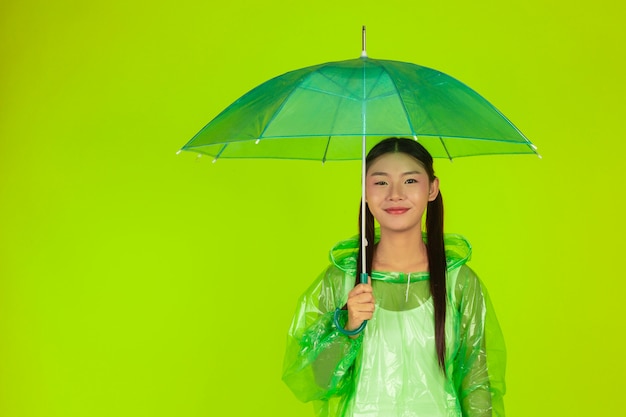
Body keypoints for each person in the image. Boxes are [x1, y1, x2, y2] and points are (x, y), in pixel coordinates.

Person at [282, 137, 506, 417]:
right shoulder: (343, 279)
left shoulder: (459, 281)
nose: (395, 194)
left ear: (432, 189)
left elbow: (476, 383)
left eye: (410, 181)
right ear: (364, 190)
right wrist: (347, 327)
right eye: (380, 182)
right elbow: (314, 381)